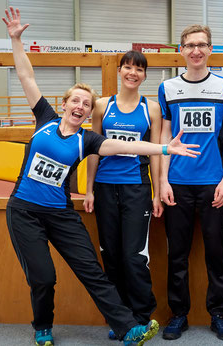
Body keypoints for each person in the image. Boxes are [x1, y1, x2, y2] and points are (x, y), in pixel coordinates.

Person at [2, 7, 199, 346]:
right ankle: (42, 327)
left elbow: (132, 146)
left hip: (61, 213)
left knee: (94, 270)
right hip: (24, 211)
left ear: (88, 110)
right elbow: (26, 77)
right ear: (64, 104)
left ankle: (129, 328)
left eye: (85, 102)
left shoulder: (88, 140)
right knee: (44, 277)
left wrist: (166, 150)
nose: (80, 105)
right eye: (75, 100)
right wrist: (16, 41)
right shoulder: (44, 119)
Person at [158, 24, 223, 341]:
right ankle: (179, 315)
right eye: (190, 45)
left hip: (213, 185)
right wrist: (162, 180)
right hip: (176, 183)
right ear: (181, 50)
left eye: (202, 45)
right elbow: (164, 136)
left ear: (210, 49)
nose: (196, 50)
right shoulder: (167, 89)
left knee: (216, 253)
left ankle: (218, 314)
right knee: (177, 254)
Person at [83, 50, 161, 339]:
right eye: (127, 67)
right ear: (119, 71)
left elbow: (155, 153)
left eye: (138, 69)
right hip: (105, 187)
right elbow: (93, 149)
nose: (132, 73)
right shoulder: (103, 106)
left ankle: (141, 316)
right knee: (111, 255)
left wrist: (156, 191)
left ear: (144, 75)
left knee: (134, 255)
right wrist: (89, 189)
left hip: (136, 189)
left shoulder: (150, 109)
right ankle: (121, 319)